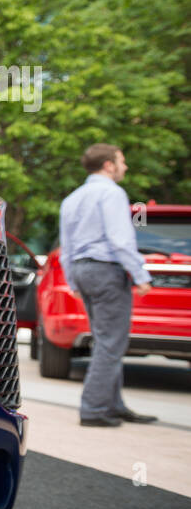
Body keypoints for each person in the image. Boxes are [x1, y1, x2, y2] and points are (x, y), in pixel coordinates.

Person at [58, 143, 158, 426]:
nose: (125, 167)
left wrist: (72, 279)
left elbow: (66, 247)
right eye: (122, 161)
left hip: (83, 270)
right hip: (106, 270)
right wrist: (140, 275)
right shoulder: (112, 193)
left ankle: (113, 405)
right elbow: (120, 239)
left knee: (105, 341)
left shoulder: (73, 198)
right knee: (111, 343)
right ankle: (93, 410)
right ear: (109, 165)